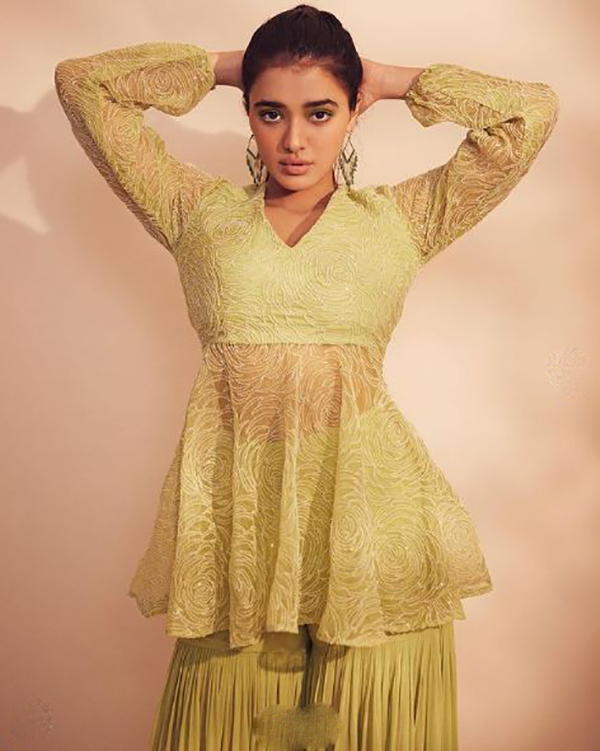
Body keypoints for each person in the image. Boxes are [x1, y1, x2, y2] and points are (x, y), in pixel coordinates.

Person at [54, 3, 559, 750]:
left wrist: (386, 80)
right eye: (271, 112)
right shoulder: (196, 212)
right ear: (249, 115)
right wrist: (231, 68)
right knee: (233, 729)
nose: (294, 139)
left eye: (320, 112)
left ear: (352, 111)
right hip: (239, 533)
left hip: (374, 532)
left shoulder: (401, 219)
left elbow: (531, 113)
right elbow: (82, 84)